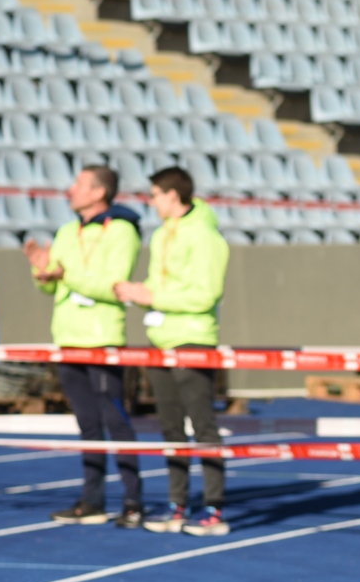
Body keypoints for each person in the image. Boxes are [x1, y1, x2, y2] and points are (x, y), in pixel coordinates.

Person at [113, 167, 232, 537]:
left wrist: (153, 296)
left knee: (203, 424)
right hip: (160, 340)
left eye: (154, 195)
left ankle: (213, 507)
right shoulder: (163, 234)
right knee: (169, 426)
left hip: (193, 339)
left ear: (172, 195)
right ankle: (177, 502)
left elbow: (206, 294)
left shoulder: (206, 236)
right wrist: (137, 293)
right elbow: (159, 286)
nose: (151, 202)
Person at [25, 165, 144, 527]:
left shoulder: (122, 231)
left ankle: (133, 501)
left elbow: (113, 284)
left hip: (102, 338)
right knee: (87, 424)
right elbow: (51, 286)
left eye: (79, 183)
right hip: (68, 337)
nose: (71, 189)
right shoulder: (66, 231)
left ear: (99, 192)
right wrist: (41, 271)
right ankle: (92, 500)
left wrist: (66, 274)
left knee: (115, 420)